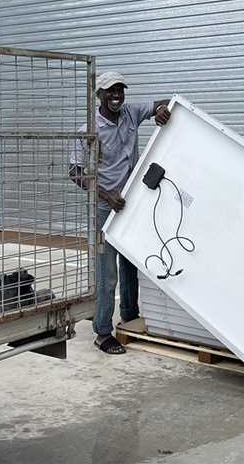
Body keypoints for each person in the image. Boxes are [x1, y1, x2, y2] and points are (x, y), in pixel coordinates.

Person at [69, 71, 171, 355]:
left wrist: (163, 111)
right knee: (106, 273)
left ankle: (129, 317)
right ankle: (102, 332)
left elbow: (167, 102)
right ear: (99, 95)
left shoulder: (131, 113)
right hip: (104, 207)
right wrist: (106, 194)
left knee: (130, 264)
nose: (116, 96)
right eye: (110, 92)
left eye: (120, 91)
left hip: (130, 205)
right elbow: (74, 172)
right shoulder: (89, 130)